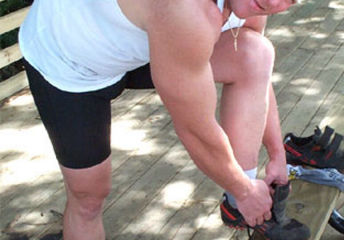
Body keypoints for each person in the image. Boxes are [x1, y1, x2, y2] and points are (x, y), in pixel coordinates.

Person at [19, 0, 299, 239]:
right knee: (89, 197)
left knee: (254, 52)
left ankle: (236, 204)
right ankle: (244, 197)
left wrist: (277, 153)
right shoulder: (186, 9)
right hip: (70, 63)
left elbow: (256, 73)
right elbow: (195, 129)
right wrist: (246, 191)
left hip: (143, 45)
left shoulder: (256, 3)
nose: (274, 2)